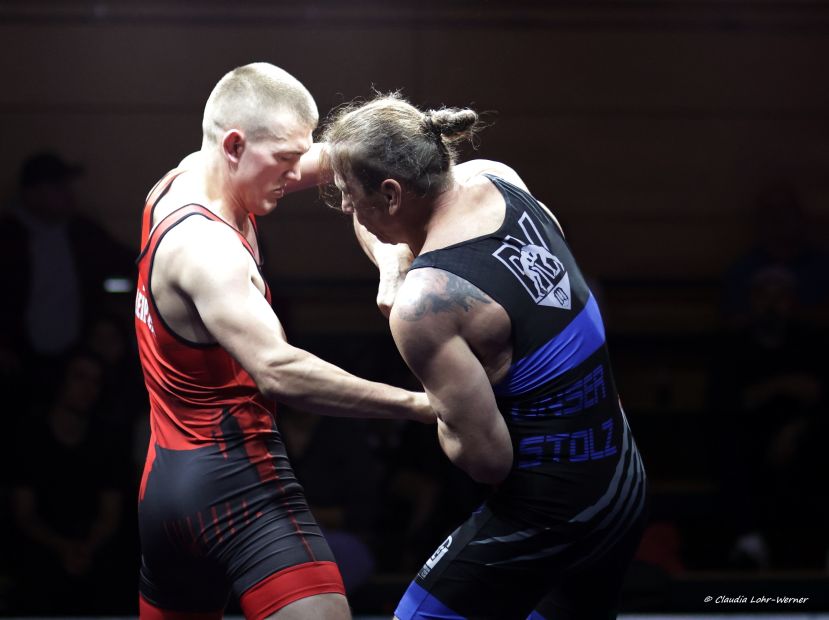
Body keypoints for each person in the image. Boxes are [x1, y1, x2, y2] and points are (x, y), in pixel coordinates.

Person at [319, 93, 648, 620]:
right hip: (622, 476)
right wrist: (393, 268)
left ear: (391, 193)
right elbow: (387, 224)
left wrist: (442, 410)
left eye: (346, 193)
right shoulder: (497, 178)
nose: (343, 208)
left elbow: (487, 460)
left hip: (553, 509)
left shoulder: (425, 305)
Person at [134, 64, 432, 620]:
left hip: (166, 486)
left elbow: (350, 162)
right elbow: (279, 371)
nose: (298, 173)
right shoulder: (207, 250)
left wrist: (390, 262)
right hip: (236, 483)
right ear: (234, 145)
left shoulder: (186, 180)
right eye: (286, 160)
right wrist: (422, 405)